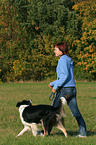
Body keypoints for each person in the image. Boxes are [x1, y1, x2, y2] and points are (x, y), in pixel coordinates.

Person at [48, 42, 87, 137]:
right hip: (72, 89)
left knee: (52, 111)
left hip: (65, 90)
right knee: (75, 112)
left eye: (56, 49)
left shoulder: (62, 60)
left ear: (61, 51)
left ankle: (46, 132)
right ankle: (83, 133)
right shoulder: (68, 59)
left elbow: (64, 76)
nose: (54, 51)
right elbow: (64, 76)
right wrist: (53, 83)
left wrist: (56, 87)